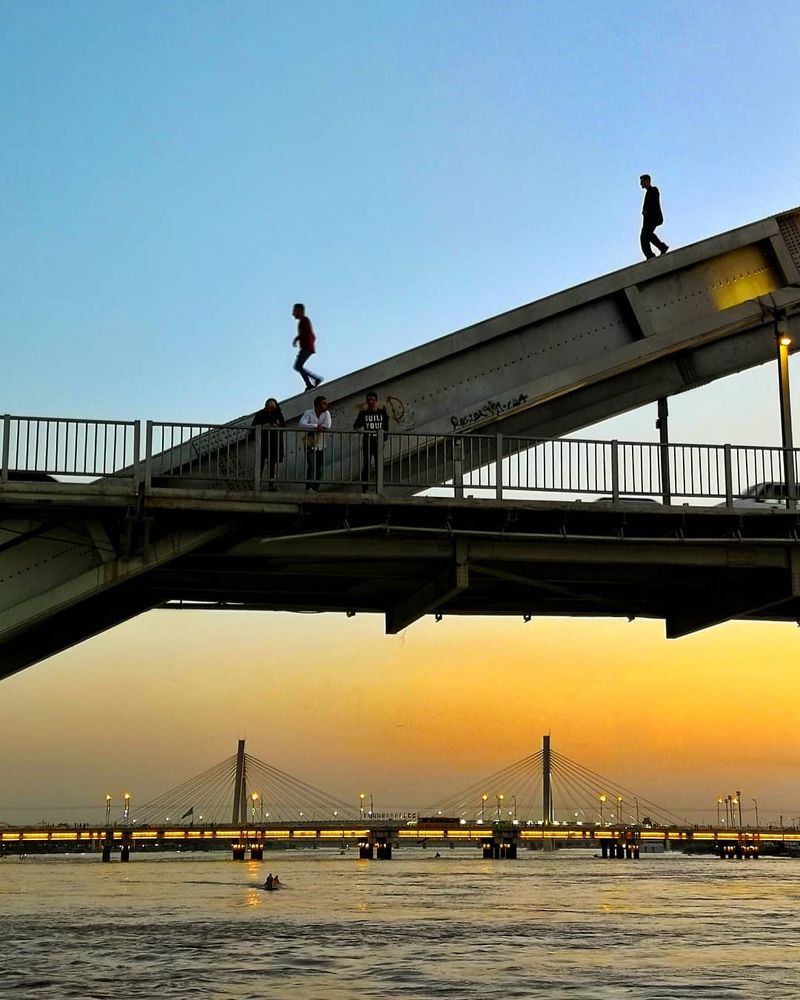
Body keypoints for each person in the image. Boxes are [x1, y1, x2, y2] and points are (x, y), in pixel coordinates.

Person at [353, 390, 389, 491]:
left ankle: (379, 488)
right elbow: (356, 426)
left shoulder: (382, 413)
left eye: (372, 400)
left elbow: (386, 428)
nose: (370, 402)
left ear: (376, 401)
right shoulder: (363, 413)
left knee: (379, 466)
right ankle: (365, 488)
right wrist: (364, 431)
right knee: (366, 466)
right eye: (368, 400)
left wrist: (383, 440)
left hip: (378, 443)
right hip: (367, 443)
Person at [251, 398, 285, 489]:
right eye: (269, 407)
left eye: (273, 407)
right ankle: (257, 485)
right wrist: (262, 426)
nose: (271, 409)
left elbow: (283, 426)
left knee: (272, 465)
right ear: (266, 407)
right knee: (260, 463)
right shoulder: (260, 414)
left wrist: (276, 425)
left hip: (274, 442)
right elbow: (253, 426)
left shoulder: (278, 414)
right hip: (263, 442)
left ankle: (271, 485)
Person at [299, 395, 331, 491]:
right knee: (311, 466)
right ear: (318, 405)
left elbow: (327, 425)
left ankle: (316, 488)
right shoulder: (308, 413)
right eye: (324, 403)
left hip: (321, 444)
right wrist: (315, 426)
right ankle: (309, 488)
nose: (326, 405)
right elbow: (301, 424)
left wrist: (318, 427)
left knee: (320, 469)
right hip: (309, 444)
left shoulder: (326, 413)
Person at [292, 303, 323, 391]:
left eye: (294, 311)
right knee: (298, 366)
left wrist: (298, 339)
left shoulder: (304, 320)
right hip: (306, 348)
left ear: (299, 311)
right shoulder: (303, 321)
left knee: (298, 366)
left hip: (306, 348)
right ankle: (313, 381)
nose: (293, 313)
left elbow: (309, 335)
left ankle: (311, 382)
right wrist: (297, 339)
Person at [639, 174, 668, 259]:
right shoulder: (649, 192)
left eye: (642, 181)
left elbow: (654, 203)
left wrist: (647, 211)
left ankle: (661, 248)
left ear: (647, 181)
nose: (641, 184)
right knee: (645, 236)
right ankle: (651, 255)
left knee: (646, 234)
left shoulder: (653, 190)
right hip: (648, 220)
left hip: (653, 218)